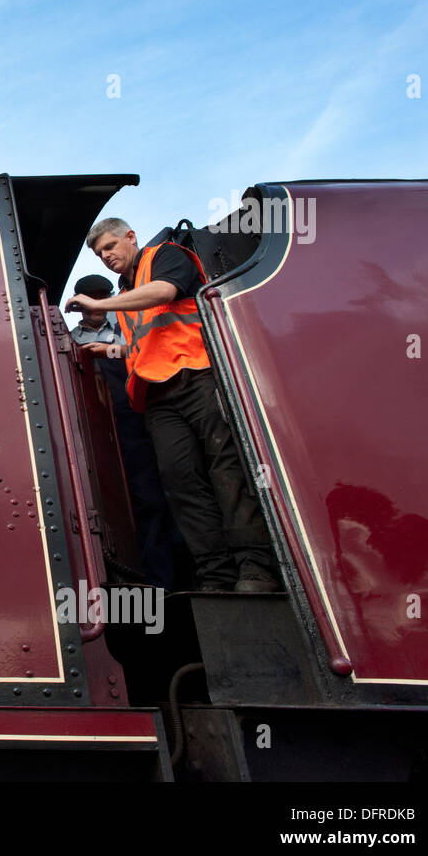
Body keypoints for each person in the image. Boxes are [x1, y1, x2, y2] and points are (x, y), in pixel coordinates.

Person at [64, 218, 280, 593]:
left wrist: (99, 303)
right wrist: (112, 349)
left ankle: (256, 569)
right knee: (182, 484)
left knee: (227, 473)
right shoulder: (126, 290)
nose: (107, 257)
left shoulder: (166, 257)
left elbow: (165, 293)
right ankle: (215, 576)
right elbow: (144, 344)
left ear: (131, 237)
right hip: (157, 397)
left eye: (111, 246)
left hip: (198, 378)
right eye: (100, 254)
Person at [70, 274, 186, 590]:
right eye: (90, 296)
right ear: (79, 302)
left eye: (102, 295)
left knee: (152, 495)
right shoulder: (66, 341)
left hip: (134, 422)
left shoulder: (128, 331)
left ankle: (164, 581)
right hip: (93, 434)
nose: (97, 302)